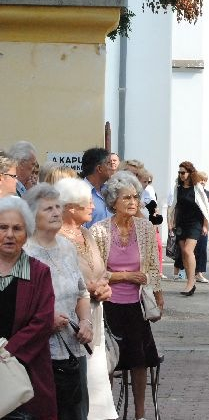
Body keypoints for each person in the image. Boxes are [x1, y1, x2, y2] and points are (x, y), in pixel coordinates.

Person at [90, 171, 164, 420]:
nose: (133, 202)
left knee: (139, 362)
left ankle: (140, 415)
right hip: (108, 305)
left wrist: (158, 295)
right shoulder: (100, 230)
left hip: (137, 305)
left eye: (135, 197)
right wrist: (125, 276)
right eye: (127, 198)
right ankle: (107, 413)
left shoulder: (145, 228)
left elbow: (152, 266)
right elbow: (96, 272)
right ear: (113, 201)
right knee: (108, 362)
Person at [23, 184, 94, 420]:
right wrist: (46, 320)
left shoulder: (67, 247)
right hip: (39, 353)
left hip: (73, 349)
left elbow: (82, 293)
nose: (56, 212)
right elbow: (17, 305)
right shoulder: (24, 253)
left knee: (75, 413)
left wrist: (86, 322)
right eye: (48, 209)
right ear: (32, 215)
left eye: (57, 207)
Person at [57, 177, 117, 420]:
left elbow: (100, 268)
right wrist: (90, 288)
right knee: (81, 379)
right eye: (87, 203)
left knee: (97, 375)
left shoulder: (86, 233)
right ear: (71, 208)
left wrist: (104, 286)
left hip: (95, 313)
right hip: (72, 317)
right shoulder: (57, 238)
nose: (93, 206)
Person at [0, 196, 57, 420]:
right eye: (2, 227)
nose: (9, 235)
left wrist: (7, 351)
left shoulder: (39, 272)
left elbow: (43, 321)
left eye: (17, 228)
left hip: (28, 371)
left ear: (27, 233)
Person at [167, 161, 209, 295]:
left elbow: (205, 206)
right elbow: (174, 205)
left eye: (183, 172)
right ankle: (190, 282)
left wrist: (205, 224)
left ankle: (191, 282)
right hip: (181, 223)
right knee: (184, 253)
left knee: (188, 250)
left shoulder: (197, 187)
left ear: (190, 173)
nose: (181, 175)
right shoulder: (178, 187)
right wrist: (171, 222)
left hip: (195, 223)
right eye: (179, 172)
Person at [81, 148, 114, 228]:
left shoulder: (110, 191)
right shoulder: (79, 193)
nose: (112, 168)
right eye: (109, 164)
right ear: (99, 168)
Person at [194, 171, 209, 283]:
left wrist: (206, 225)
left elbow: (208, 210)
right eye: (201, 179)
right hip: (192, 224)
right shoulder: (192, 191)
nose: (203, 182)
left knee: (201, 249)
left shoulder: (207, 193)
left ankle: (199, 273)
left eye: (205, 180)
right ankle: (190, 272)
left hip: (202, 225)